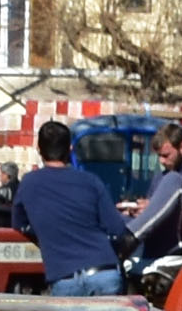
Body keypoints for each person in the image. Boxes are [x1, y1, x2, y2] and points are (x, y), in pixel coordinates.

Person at [15, 116, 124, 295]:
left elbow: (18, 223)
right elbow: (117, 229)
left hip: (64, 277)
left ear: (39, 150)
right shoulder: (91, 181)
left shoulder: (28, 183)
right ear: (70, 149)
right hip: (105, 273)